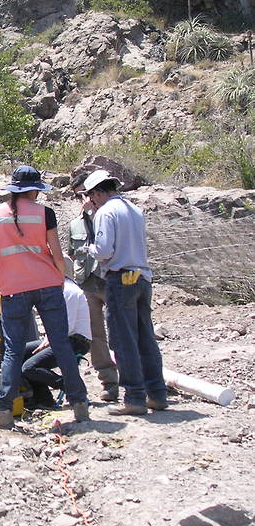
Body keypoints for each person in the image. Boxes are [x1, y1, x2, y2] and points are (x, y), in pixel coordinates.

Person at [0, 165, 89, 429]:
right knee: (61, 344)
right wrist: (59, 279)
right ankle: (80, 405)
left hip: (13, 288)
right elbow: (56, 252)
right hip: (47, 284)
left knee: (12, 351)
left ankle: (3, 411)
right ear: (34, 190)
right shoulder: (45, 214)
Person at [82, 170, 168, 416]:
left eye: (92, 196)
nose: (92, 201)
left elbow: (104, 250)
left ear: (97, 192)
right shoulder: (134, 209)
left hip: (120, 278)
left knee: (123, 339)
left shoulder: (106, 212)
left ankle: (133, 397)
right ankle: (157, 394)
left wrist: (90, 248)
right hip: (143, 277)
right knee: (145, 337)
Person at [68, 172, 120, 402]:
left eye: (88, 194)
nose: (86, 199)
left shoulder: (109, 216)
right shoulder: (74, 225)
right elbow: (71, 255)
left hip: (111, 281)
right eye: (81, 195)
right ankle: (109, 382)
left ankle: (139, 380)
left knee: (123, 332)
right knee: (96, 336)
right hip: (87, 283)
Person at [21, 256, 92, 408]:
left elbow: (67, 327)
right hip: (62, 337)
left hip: (76, 341)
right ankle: (43, 398)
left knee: (29, 367)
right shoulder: (61, 289)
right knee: (20, 352)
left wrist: (49, 341)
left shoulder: (69, 291)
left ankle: (70, 386)